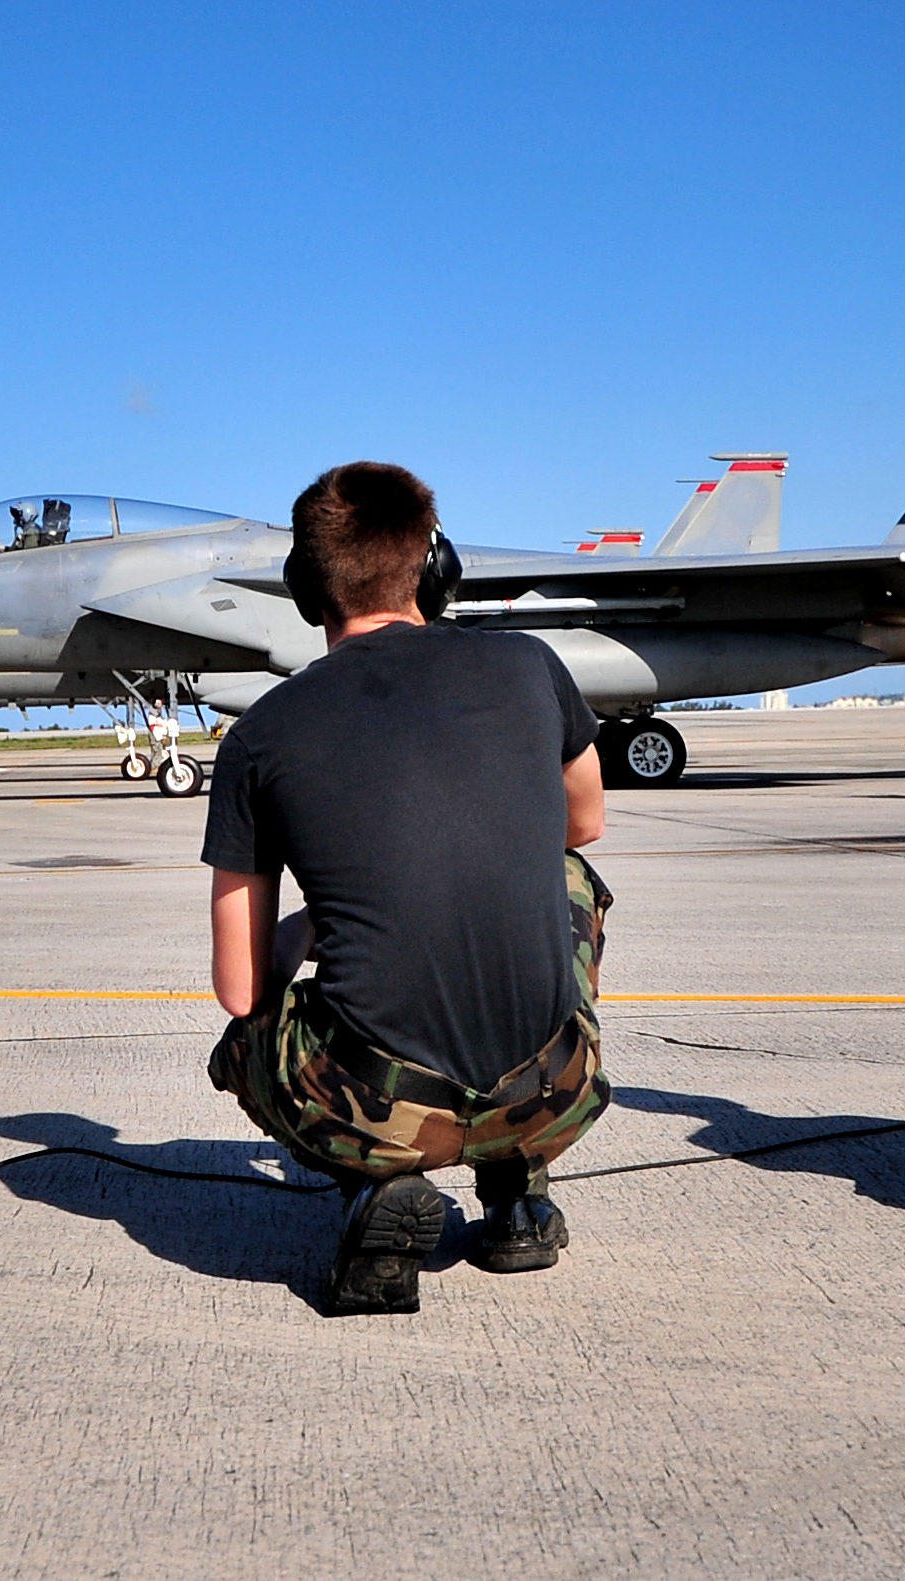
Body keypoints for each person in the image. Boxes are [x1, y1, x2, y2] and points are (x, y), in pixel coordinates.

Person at [203, 462, 614, 1315]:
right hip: (554, 1093)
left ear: (304, 588)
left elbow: (240, 986)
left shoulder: (260, 735)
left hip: (377, 1108)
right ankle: (517, 1195)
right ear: (434, 567)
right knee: (566, 877)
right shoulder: (531, 664)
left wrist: (314, 924)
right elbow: (583, 825)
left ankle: (373, 1183)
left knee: (241, 1042)